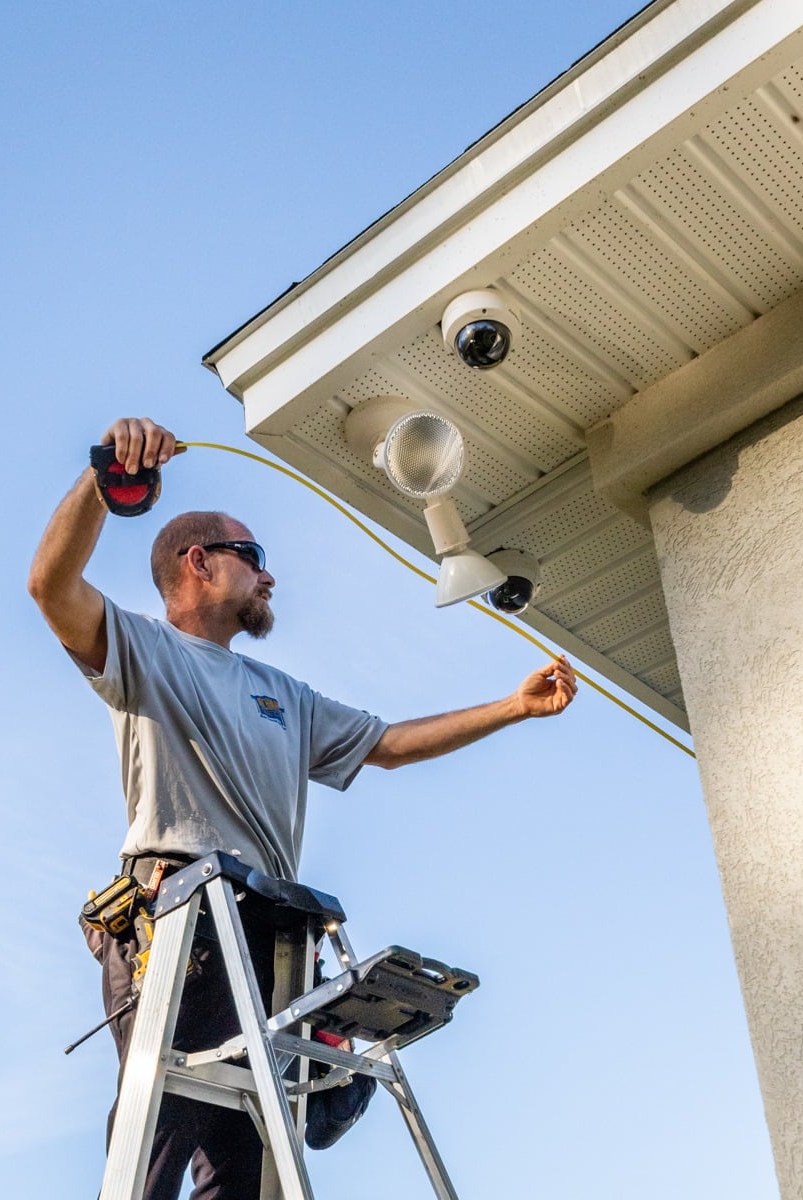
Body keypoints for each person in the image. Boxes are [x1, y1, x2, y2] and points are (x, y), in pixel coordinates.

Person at [29, 416, 578, 1200]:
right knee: (162, 1129)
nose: (270, 577)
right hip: (182, 916)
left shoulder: (283, 696)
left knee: (250, 1158)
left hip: (269, 930)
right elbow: (50, 586)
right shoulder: (144, 652)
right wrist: (101, 478)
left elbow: (386, 744)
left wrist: (510, 708)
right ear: (199, 563)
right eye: (253, 559)